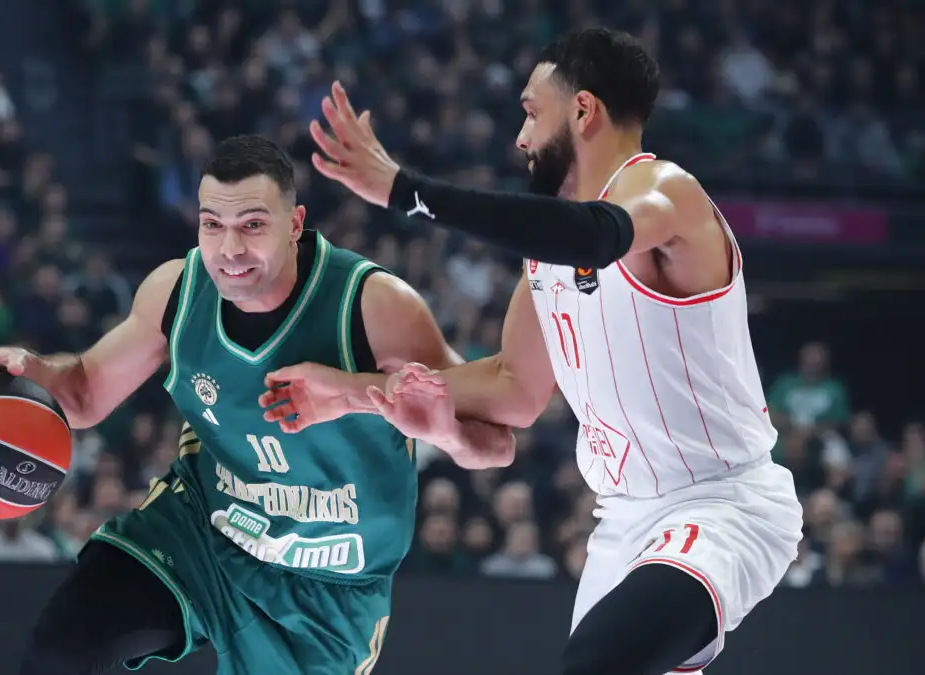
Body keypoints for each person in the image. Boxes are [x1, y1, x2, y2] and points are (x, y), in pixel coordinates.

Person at [262, 28, 803, 675]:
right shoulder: (547, 254)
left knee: (596, 663)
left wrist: (405, 190)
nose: (520, 138)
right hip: (623, 518)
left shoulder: (665, 192)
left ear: (583, 111)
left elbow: (598, 235)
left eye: (530, 112)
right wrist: (344, 392)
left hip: (721, 503)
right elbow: (512, 389)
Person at [0, 135, 513, 675]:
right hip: (203, 532)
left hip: (329, 586)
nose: (230, 249)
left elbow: (498, 442)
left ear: (295, 224)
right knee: (63, 648)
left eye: (252, 225)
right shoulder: (177, 291)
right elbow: (83, 394)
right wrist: (30, 368)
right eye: (213, 225)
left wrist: (446, 432)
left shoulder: (375, 306)